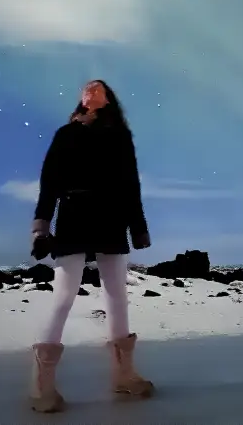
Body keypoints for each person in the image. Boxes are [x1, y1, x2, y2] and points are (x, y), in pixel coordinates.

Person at [29, 80, 154, 413]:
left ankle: (123, 375)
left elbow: (131, 184)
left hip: (112, 217)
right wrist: (41, 226)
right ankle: (42, 386)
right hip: (73, 215)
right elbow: (49, 183)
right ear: (81, 99)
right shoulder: (65, 134)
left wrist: (138, 228)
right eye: (86, 89)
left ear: (108, 99)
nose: (91, 91)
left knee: (117, 296)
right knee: (64, 296)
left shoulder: (120, 136)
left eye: (98, 89)